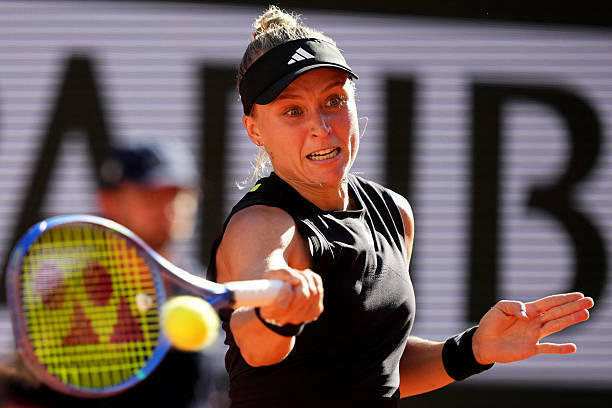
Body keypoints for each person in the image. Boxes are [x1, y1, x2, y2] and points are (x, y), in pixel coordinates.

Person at [206, 6, 595, 408]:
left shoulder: (394, 212)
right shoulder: (260, 224)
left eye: (334, 100)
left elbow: (378, 368)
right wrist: (275, 317)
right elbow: (256, 346)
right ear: (254, 129)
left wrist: (474, 349)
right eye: (293, 111)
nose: (321, 126)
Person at [0, 142, 228, 408]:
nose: (171, 207)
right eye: (151, 195)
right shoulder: (65, 307)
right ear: (107, 201)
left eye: (180, 195)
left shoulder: (208, 291)